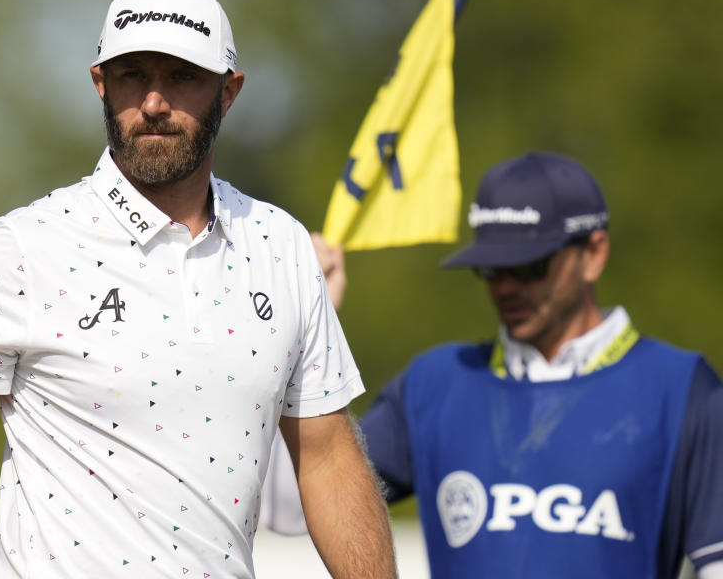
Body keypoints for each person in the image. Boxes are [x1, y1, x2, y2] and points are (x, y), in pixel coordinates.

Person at [0, 0, 397, 578]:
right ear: (101, 85)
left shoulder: (281, 245)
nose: (153, 103)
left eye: (181, 76)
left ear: (228, 92)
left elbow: (328, 458)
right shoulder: (24, 246)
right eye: (133, 76)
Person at [265, 151, 723, 578]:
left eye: (528, 266)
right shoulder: (436, 384)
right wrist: (308, 330)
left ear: (594, 254)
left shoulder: (681, 389)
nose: (506, 286)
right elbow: (288, 510)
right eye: (491, 268)